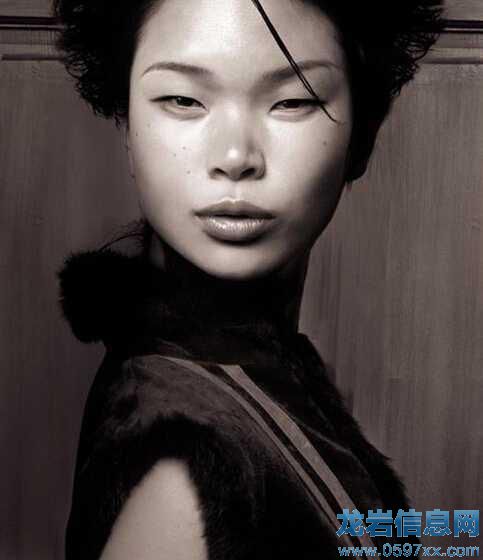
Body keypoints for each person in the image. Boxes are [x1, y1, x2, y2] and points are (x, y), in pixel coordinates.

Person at [55, 0, 444, 558]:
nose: (236, 157)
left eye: (292, 101)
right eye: (183, 100)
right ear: (127, 127)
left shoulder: (247, 377)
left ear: (364, 134)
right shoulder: (183, 469)